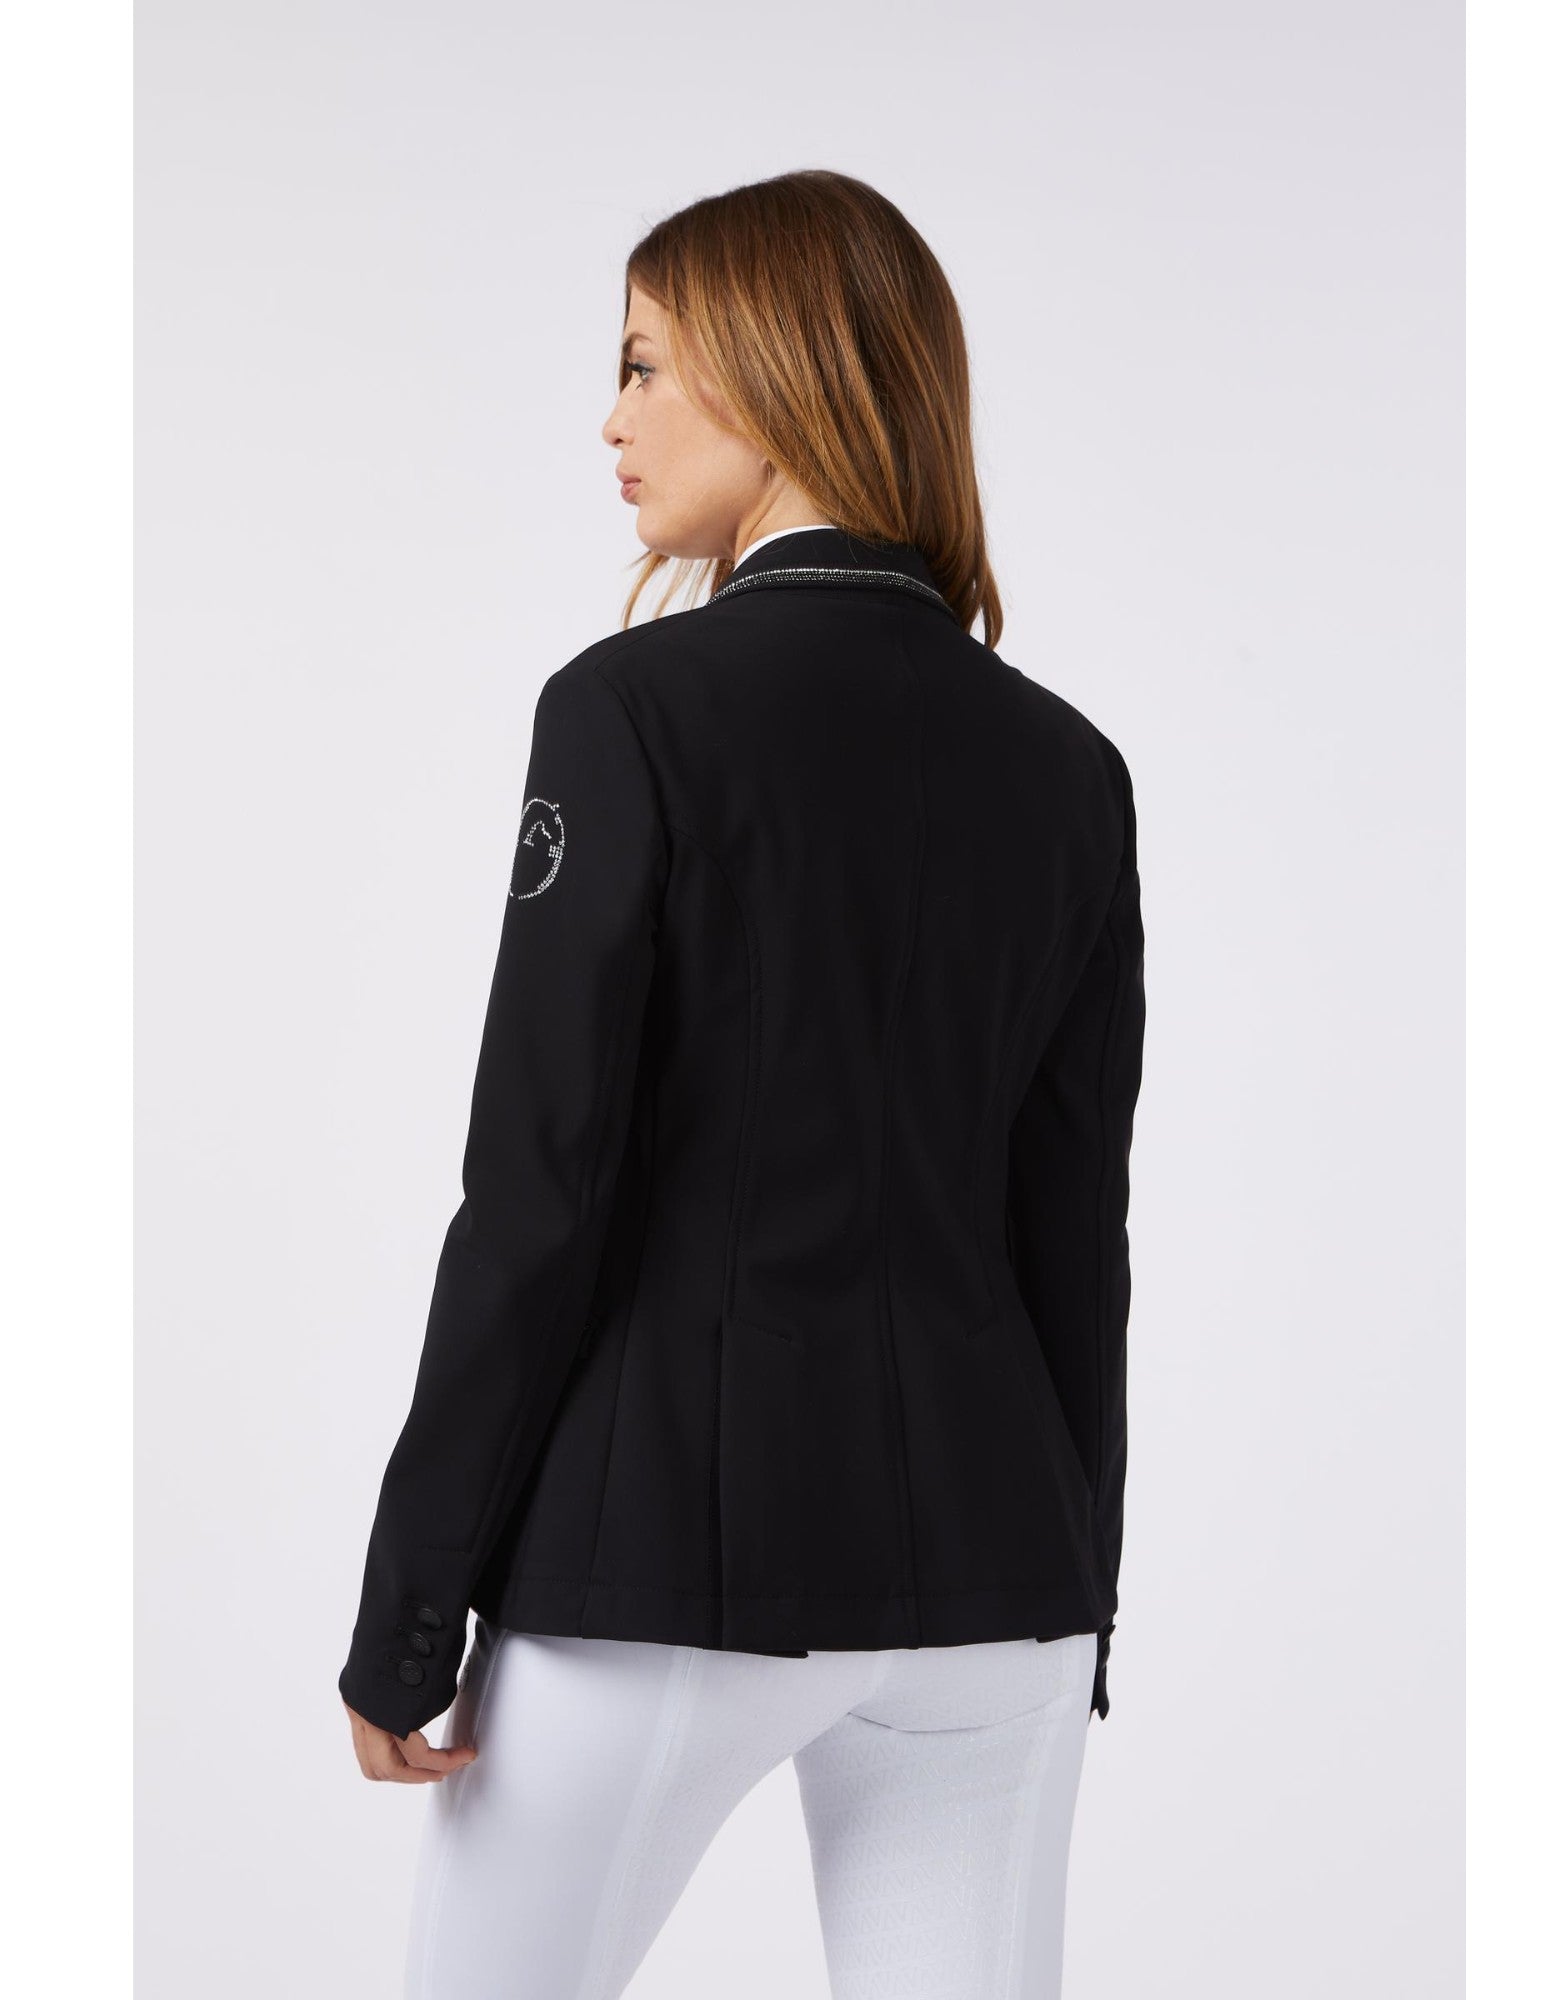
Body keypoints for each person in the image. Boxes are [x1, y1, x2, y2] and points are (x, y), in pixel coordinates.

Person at [338, 168, 1146, 2000]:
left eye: (642, 363)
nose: (610, 418)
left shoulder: (627, 713)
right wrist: (1079, 1585)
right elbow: (1072, 1234)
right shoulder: (1070, 771)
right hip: (995, 1583)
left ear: (780, 374)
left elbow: (538, 1192)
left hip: (662, 1567)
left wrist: (408, 1609)